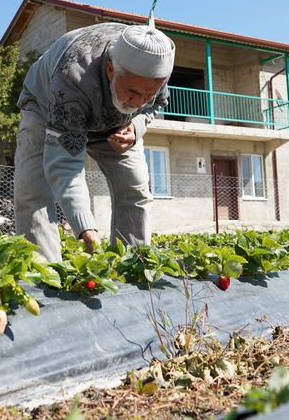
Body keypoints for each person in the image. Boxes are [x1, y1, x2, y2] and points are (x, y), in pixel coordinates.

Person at [14, 19, 175, 263]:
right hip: (46, 108)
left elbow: (157, 105)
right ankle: (42, 276)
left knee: (135, 188)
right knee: (33, 191)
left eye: (148, 94)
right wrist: (84, 226)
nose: (141, 101)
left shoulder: (155, 73)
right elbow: (65, 164)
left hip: (116, 122)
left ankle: (133, 268)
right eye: (133, 92)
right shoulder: (72, 77)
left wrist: (136, 126)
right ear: (111, 70)